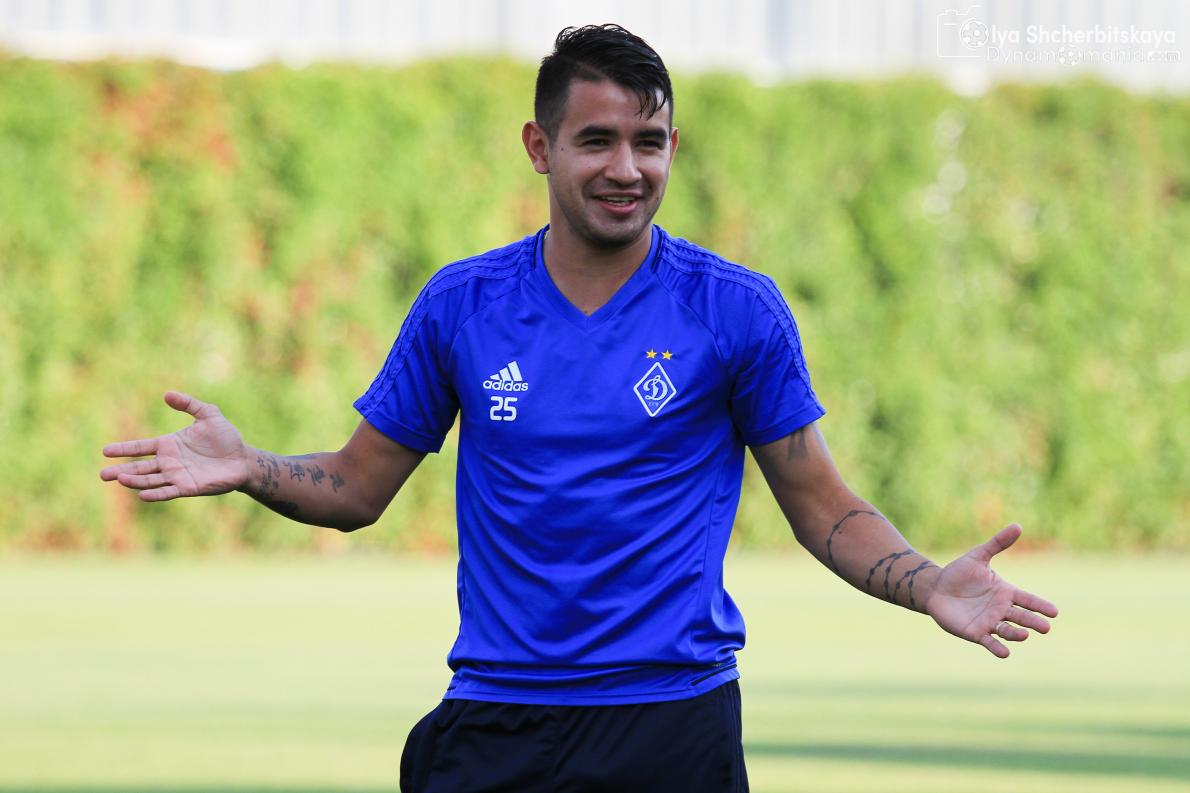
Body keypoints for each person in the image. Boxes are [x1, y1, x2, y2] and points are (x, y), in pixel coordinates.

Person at [100, 23, 1059, 793]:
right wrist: (251, 466)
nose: (626, 168)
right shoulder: (461, 305)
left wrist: (928, 584)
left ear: (674, 147)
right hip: (497, 716)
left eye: (649, 142)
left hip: (672, 723)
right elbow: (356, 486)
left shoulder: (735, 309)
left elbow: (825, 508)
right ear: (540, 146)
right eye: (597, 139)